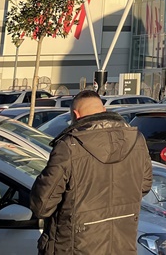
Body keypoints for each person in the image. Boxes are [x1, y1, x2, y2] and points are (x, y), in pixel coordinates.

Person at [31, 89, 152, 255]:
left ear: (76, 114)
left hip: (74, 246)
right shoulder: (137, 140)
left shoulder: (69, 146)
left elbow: (42, 205)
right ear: (103, 110)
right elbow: (144, 186)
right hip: (122, 244)